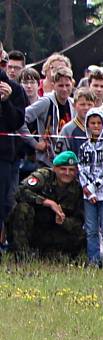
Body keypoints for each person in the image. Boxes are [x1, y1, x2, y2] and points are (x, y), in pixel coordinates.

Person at [8, 151, 85, 257]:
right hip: (34, 225)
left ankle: (52, 255)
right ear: (55, 168)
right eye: (63, 169)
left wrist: (64, 221)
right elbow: (20, 192)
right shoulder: (43, 176)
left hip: (54, 231)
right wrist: (45, 202)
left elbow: (79, 222)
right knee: (23, 209)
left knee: (82, 235)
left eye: (71, 170)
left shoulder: (77, 189)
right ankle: (21, 255)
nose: (67, 173)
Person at [78, 108, 103, 267]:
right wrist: (87, 189)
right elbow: (81, 168)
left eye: (99, 123)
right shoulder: (83, 147)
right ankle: (93, 261)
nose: (96, 126)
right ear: (87, 124)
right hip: (88, 194)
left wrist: (94, 188)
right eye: (92, 123)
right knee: (91, 230)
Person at [25, 66, 74, 166]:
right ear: (53, 85)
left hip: (66, 161)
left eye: (67, 85)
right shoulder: (46, 101)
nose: (64, 89)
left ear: (72, 85)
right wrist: (35, 144)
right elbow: (21, 118)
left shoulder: (72, 103)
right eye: (60, 85)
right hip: (46, 161)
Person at [0, 62, 26, 241]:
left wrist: (6, 101)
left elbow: (16, 122)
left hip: (3, 155)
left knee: (2, 204)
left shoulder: (14, 89)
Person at [59, 88, 94, 157]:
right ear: (74, 105)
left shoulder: (100, 127)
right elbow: (61, 156)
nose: (86, 108)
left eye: (89, 104)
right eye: (82, 104)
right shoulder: (68, 129)